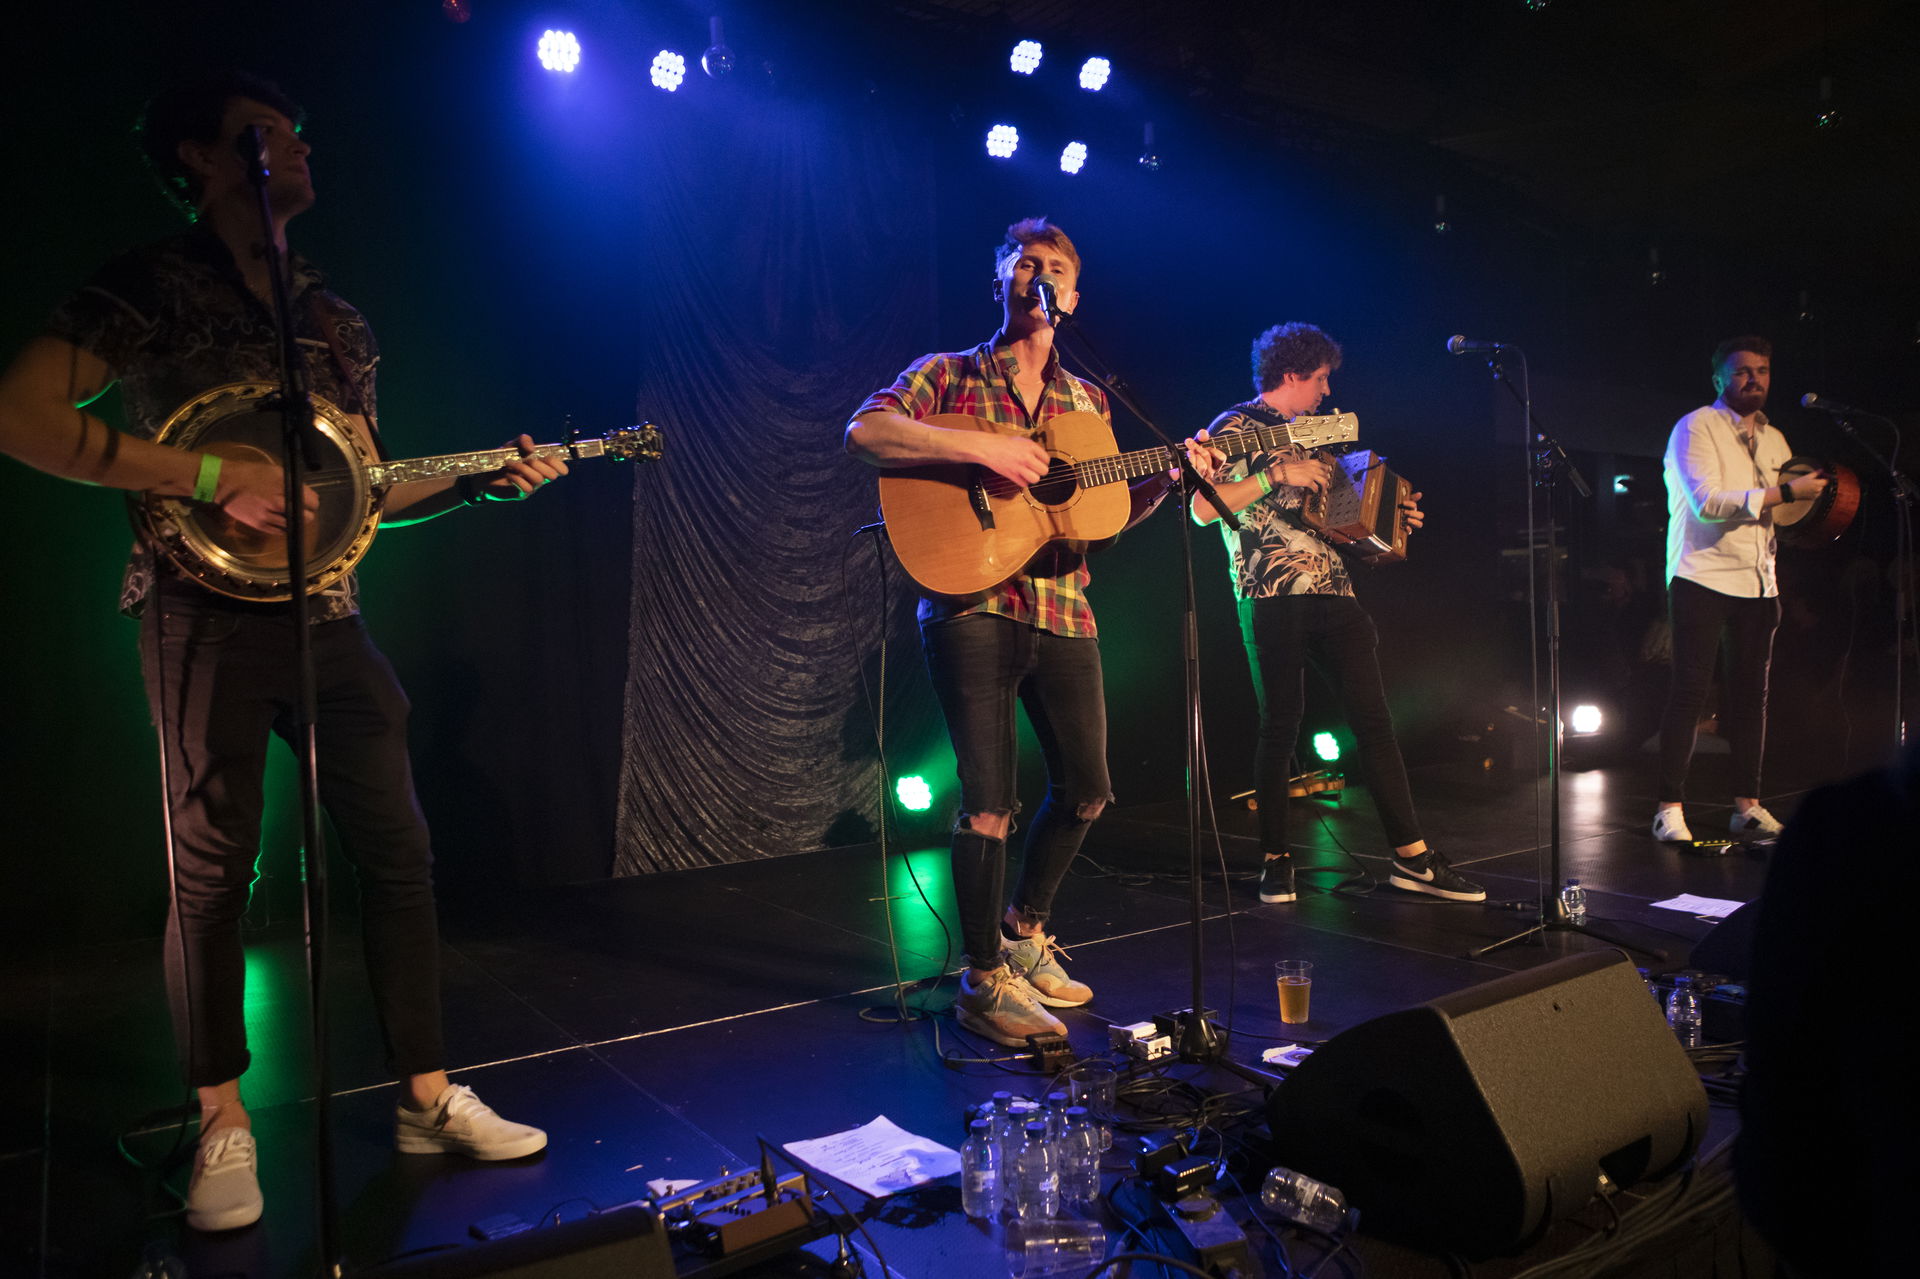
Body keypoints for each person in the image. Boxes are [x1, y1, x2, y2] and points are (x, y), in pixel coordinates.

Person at [0, 73, 556, 1233]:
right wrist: (210, 476)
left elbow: (361, 490)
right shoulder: (146, 288)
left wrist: (477, 483)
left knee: (400, 855)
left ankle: (425, 1096)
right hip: (197, 616)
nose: (295, 146)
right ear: (199, 160)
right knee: (212, 876)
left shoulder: (335, 318)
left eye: (298, 130)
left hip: (331, 618)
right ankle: (220, 1117)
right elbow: (22, 416)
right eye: (263, 133)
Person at [845, 218, 1214, 1047]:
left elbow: (1097, 514)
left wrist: (1164, 479)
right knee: (990, 805)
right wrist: (983, 447)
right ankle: (982, 978)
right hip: (972, 602)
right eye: (1024, 265)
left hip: (1063, 606)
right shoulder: (945, 373)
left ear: (1073, 297)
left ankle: (1024, 928)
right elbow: (864, 432)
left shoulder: (1089, 401)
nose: (1038, 277)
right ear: (1002, 283)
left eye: (1054, 269)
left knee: (1088, 786)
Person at [1192, 323, 1485, 906]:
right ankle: (1275, 859)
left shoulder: (1321, 434)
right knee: (1280, 726)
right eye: (1321, 378)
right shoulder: (1234, 427)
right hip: (1270, 594)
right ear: (1294, 374)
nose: (1327, 390)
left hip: (1336, 590)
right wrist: (1275, 473)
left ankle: (1412, 857)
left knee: (1375, 723)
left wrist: (1392, 522)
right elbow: (1203, 509)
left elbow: (1342, 519)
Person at [1651, 336, 1827, 843]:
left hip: (1759, 581)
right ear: (1719, 380)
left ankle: (1746, 806)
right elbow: (1708, 502)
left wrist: (1809, 508)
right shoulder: (1696, 426)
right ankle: (1669, 807)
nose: (1754, 379)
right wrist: (1789, 491)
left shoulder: (1776, 441)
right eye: (1743, 371)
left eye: (1763, 370)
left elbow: (1784, 510)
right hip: (1701, 576)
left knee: (1752, 699)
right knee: (1689, 692)